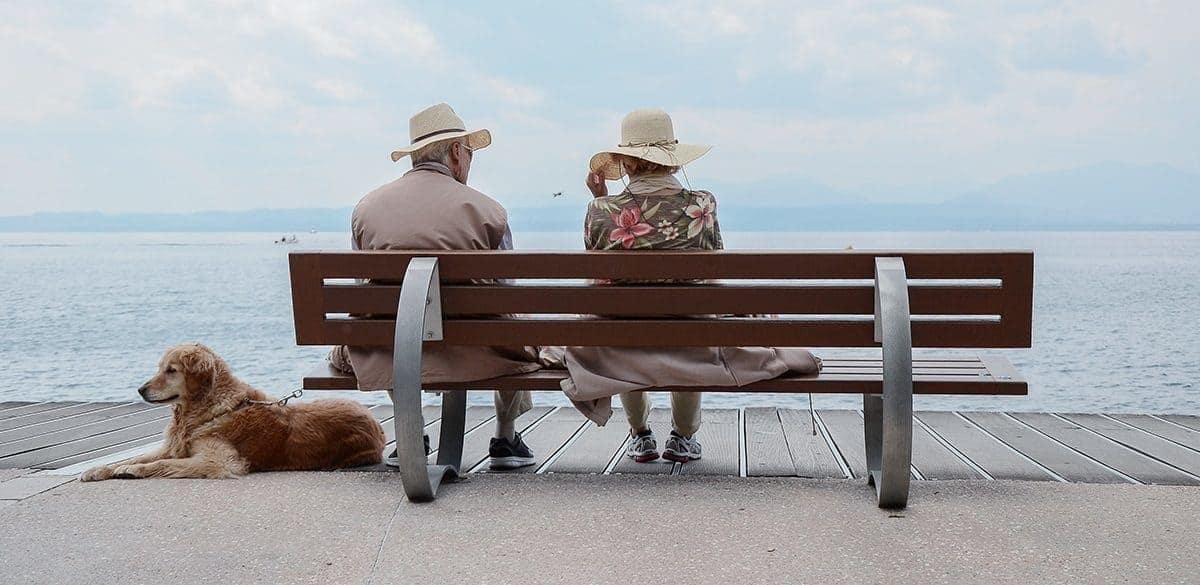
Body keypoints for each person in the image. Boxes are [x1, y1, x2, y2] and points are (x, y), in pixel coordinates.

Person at [560, 108, 822, 464]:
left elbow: (598, 274)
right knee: (694, 322)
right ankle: (682, 436)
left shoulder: (601, 209)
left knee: (618, 327)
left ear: (628, 162)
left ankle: (639, 434)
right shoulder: (702, 204)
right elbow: (714, 265)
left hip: (619, 342)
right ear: (672, 160)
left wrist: (601, 198)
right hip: (692, 338)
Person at [328, 103, 542, 470]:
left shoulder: (367, 208)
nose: (471, 162)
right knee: (515, 325)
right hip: (479, 351)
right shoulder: (489, 211)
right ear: (457, 152)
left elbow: (362, 289)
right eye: (471, 152)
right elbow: (508, 291)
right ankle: (505, 437)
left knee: (383, 327)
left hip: (389, 350)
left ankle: (411, 433)